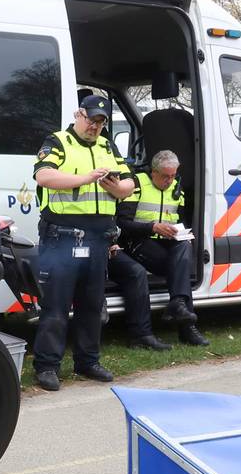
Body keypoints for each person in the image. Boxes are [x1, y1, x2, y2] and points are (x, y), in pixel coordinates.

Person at [31, 95, 135, 391]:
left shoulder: (107, 146)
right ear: (79, 114)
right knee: (56, 306)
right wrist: (87, 178)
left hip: (98, 238)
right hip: (62, 236)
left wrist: (116, 187)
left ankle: (88, 361)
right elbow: (44, 176)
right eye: (91, 119)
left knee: (91, 305)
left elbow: (129, 185)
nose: (95, 126)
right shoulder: (58, 141)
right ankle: (47, 366)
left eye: (101, 121)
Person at [117, 150, 209, 346]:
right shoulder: (138, 184)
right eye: (165, 176)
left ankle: (178, 304)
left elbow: (181, 220)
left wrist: (183, 233)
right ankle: (186, 324)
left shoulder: (177, 187)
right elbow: (123, 223)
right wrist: (152, 227)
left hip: (167, 243)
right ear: (153, 172)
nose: (170, 180)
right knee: (180, 269)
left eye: (173, 175)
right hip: (138, 242)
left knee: (184, 246)